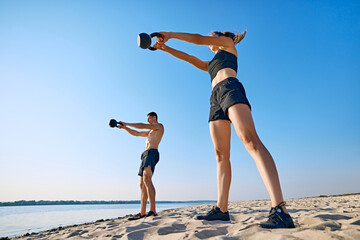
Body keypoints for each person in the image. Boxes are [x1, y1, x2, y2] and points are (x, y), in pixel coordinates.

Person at [153, 31, 295, 228]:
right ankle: (221, 210)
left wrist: (169, 35)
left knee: (250, 140)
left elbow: (198, 39)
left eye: (210, 36)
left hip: (230, 88)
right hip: (215, 98)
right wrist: (165, 48)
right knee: (220, 155)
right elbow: (190, 58)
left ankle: (280, 210)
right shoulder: (211, 64)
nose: (207, 40)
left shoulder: (227, 44)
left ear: (219, 36)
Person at [117, 112, 164, 220]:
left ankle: (153, 210)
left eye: (149, 118)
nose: (148, 121)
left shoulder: (159, 126)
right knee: (142, 184)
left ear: (154, 117)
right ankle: (142, 212)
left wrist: (127, 123)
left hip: (152, 153)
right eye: (147, 119)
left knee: (147, 179)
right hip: (144, 155)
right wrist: (125, 128)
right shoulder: (149, 132)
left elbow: (142, 125)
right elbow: (137, 133)